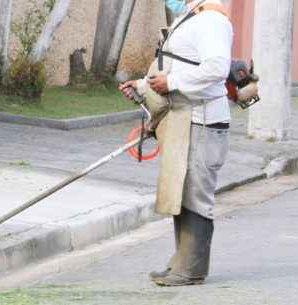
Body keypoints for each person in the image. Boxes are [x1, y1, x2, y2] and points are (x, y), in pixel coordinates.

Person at [119, 0, 233, 286]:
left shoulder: (212, 20)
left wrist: (170, 83)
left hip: (202, 122)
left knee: (195, 193)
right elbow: (173, 65)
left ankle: (191, 268)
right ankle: (181, 261)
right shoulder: (190, 17)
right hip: (183, 119)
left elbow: (216, 68)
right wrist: (143, 86)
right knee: (181, 192)